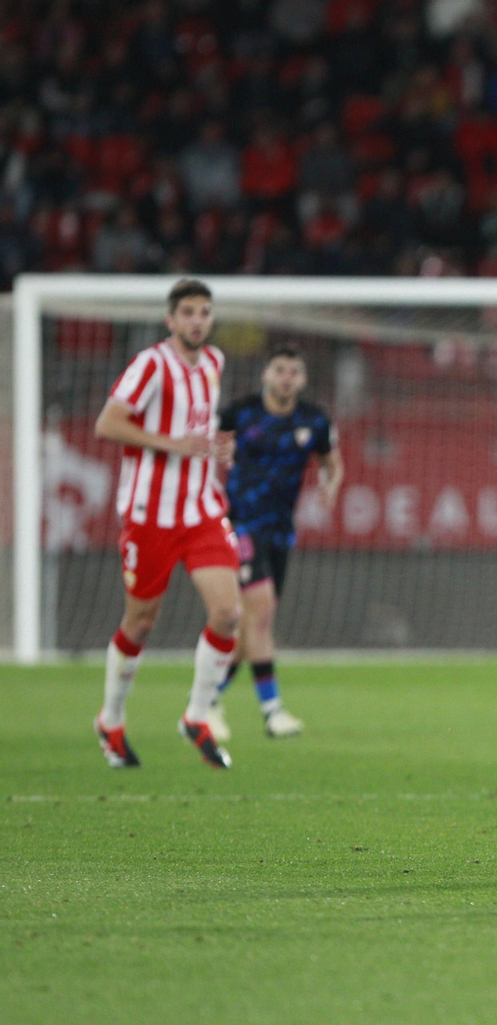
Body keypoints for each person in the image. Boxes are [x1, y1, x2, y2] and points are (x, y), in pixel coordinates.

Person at [92, 278, 240, 770]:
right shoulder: (151, 364)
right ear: (171, 320)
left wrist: (220, 446)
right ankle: (111, 719)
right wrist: (173, 444)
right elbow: (108, 424)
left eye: (205, 312)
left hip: (200, 510)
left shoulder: (215, 363)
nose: (198, 320)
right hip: (149, 516)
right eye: (189, 312)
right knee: (141, 621)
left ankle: (196, 716)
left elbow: (199, 428)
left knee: (228, 613)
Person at [210, 342, 342, 740]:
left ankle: (206, 700)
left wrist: (329, 487)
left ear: (302, 378)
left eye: (294, 372)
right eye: (280, 370)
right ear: (266, 374)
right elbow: (204, 445)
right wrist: (218, 455)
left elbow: (333, 464)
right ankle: (273, 712)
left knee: (253, 627)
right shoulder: (239, 413)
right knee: (261, 613)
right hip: (241, 524)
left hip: (281, 530)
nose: (287, 378)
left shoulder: (314, 420)